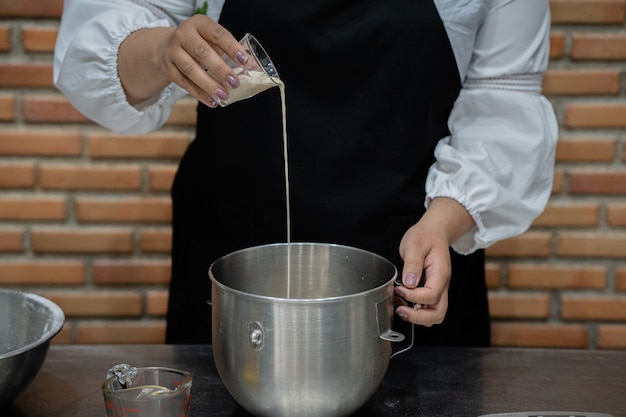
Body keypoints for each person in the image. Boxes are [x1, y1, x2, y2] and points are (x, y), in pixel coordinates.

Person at [54, 0, 557, 347]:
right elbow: (99, 43)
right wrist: (165, 51)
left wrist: (442, 225)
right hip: (233, 258)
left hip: (410, 261)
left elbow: (503, 105)